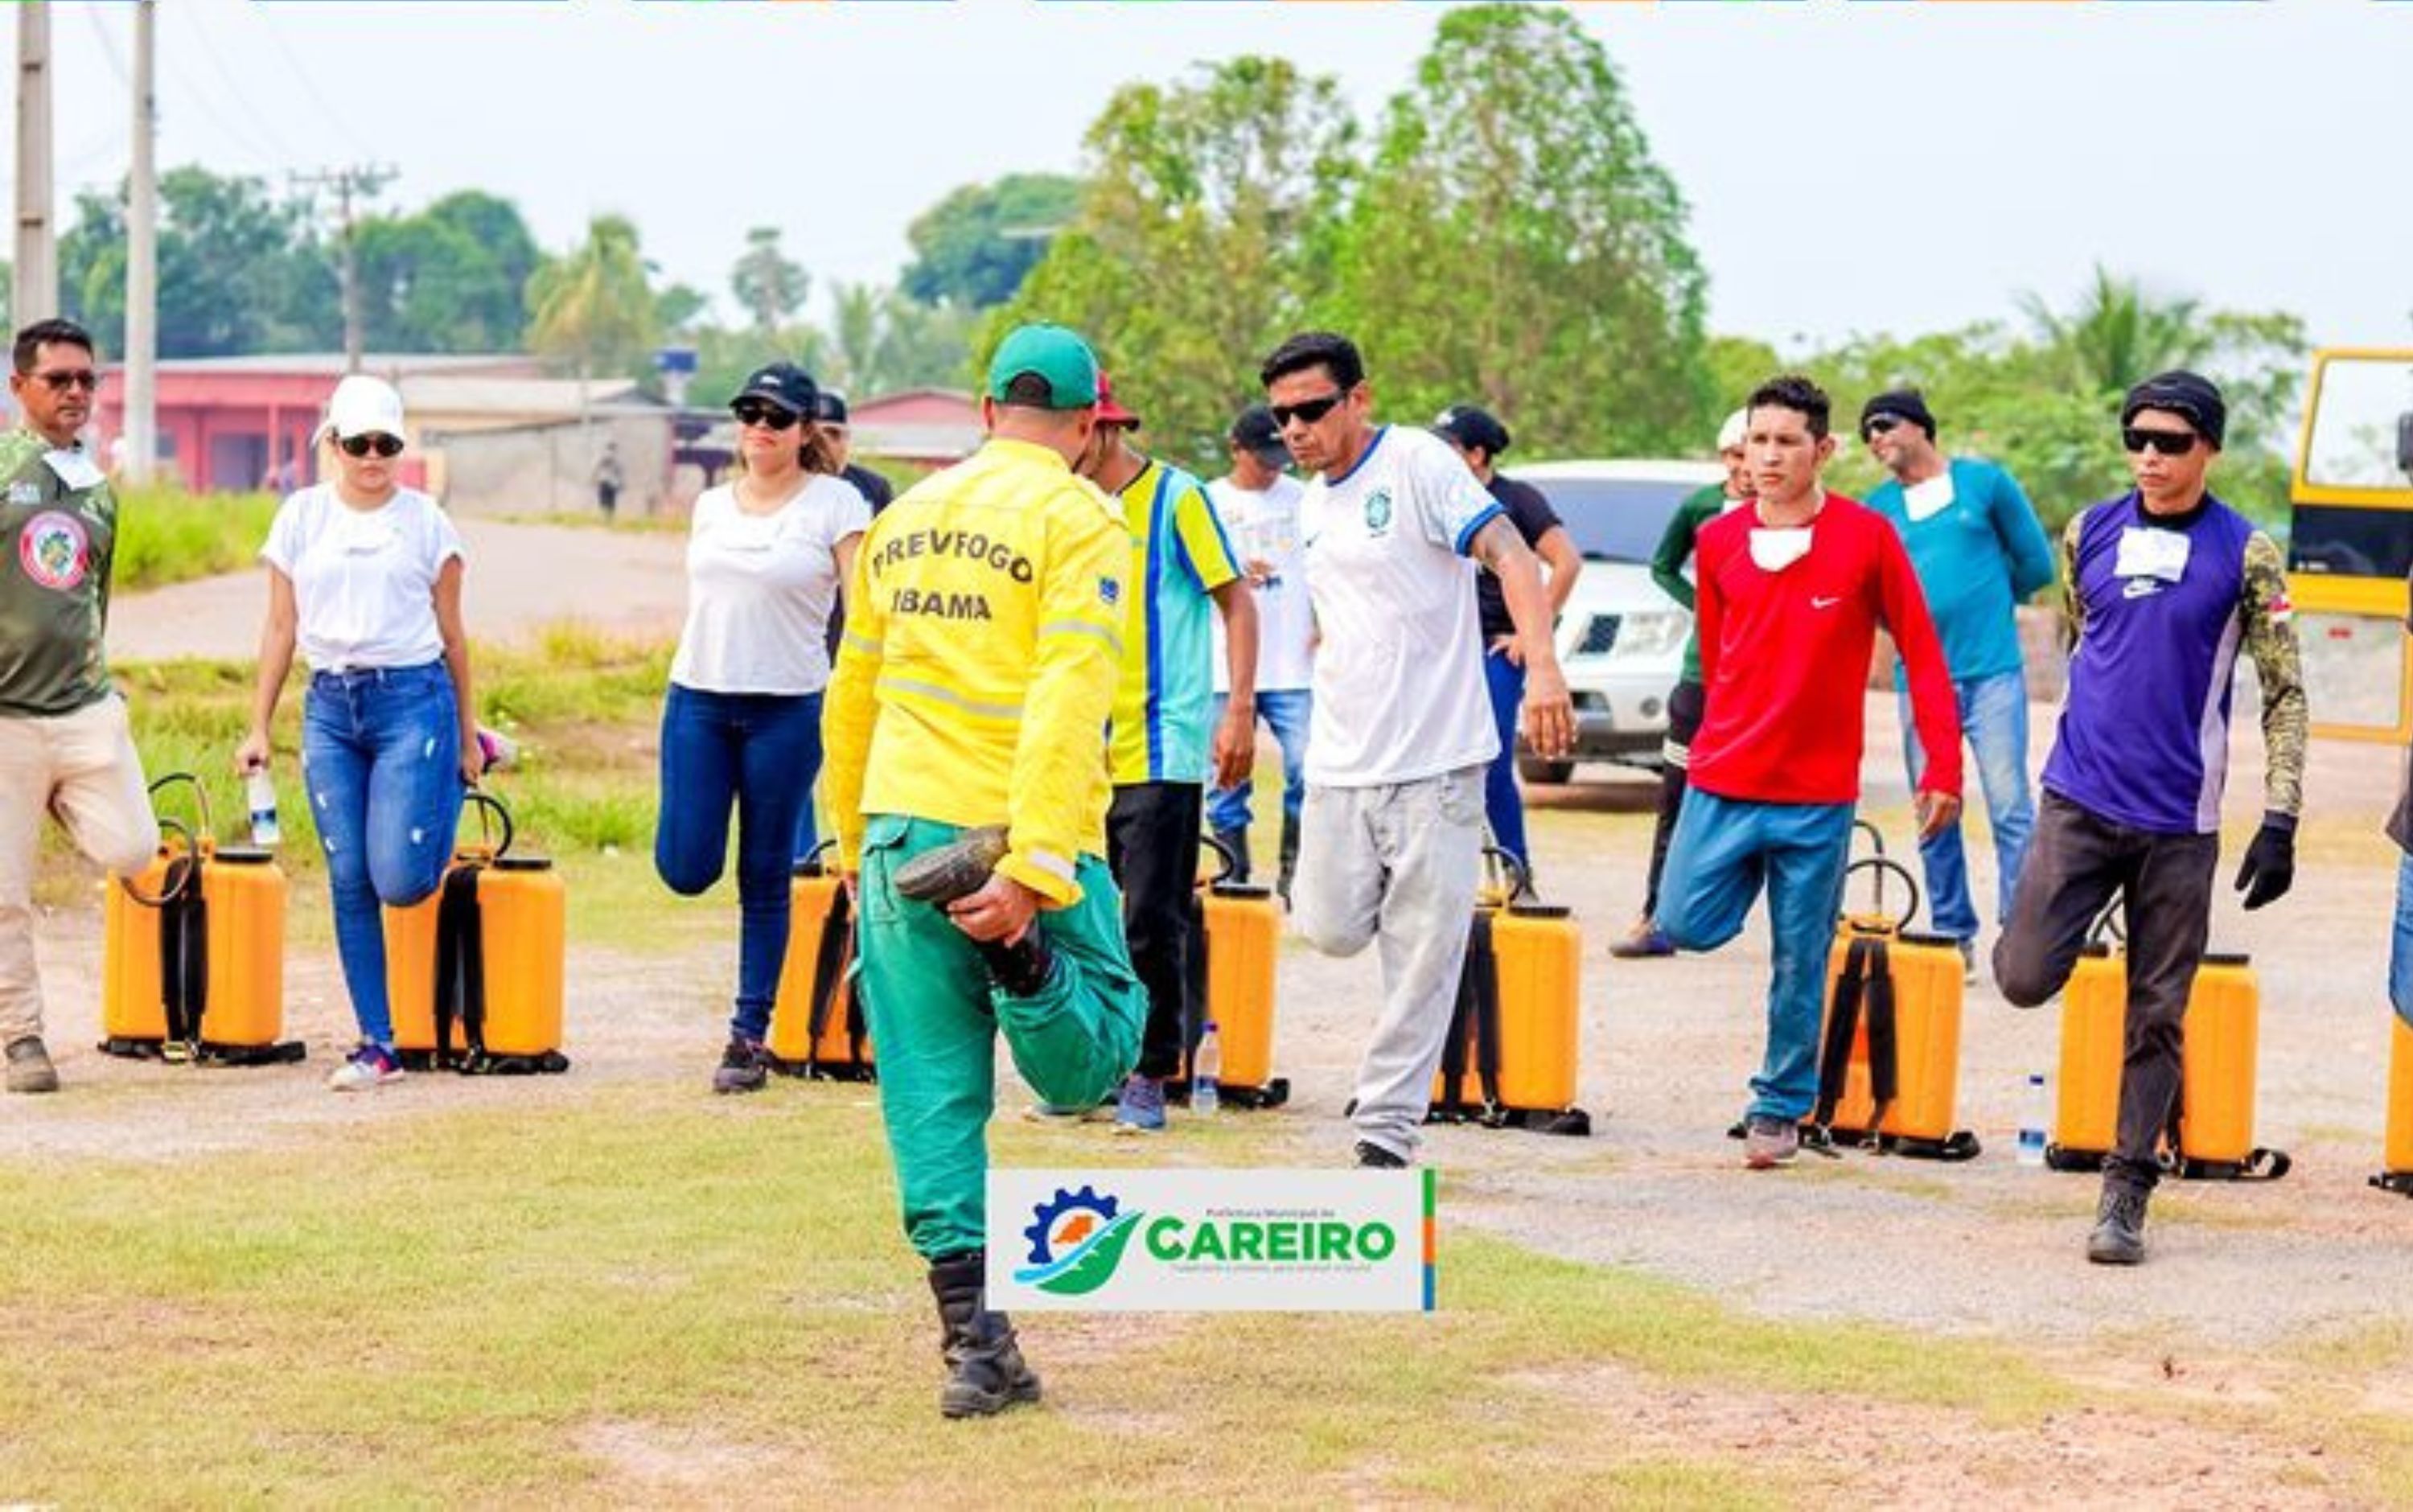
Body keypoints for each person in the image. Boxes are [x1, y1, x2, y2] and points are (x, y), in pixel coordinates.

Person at [821, 323, 1145, 1419]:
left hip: (900, 834)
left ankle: (974, 1343)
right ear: (1093, 422)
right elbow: (1069, 693)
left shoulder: (904, 519)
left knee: (927, 1093)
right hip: (1011, 828)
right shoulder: (1082, 518)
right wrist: (1037, 866)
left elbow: (851, 688)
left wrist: (849, 843)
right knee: (1096, 1056)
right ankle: (1020, 951)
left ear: (985, 404)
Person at [1994, 372, 2304, 1266]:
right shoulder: (2087, 530)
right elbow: (2085, 637)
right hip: (2080, 801)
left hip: (2180, 823)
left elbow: (2284, 690)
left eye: (2171, 441)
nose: (2151, 457)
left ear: (2208, 446)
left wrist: (2280, 815)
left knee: (2157, 1011)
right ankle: (2077, 917)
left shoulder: (2248, 552)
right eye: (2139, 439)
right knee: (2020, 974)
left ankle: (2125, 1191)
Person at [1261, 331, 1575, 1168]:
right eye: (1282, 415)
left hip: (1438, 760)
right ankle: (1391, 1096)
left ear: (1358, 398)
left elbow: (1513, 556)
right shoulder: (1309, 505)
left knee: (1424, 948)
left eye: (1312, 409)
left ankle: (1385, 1129)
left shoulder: (1418, 465)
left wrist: (1542, 666)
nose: (1295, 429)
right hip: (1340, 761)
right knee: (1326, 924)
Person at [1655, 376, 1963, 1170]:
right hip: (1723, 777)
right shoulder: (1718, 542)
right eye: (1757, 439)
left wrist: (1943, 769)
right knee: (1682, 921)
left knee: (1799, 958)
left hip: (1817, 796)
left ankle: (1778, 1105)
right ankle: (1757, 879)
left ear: (1822, 450)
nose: (1767, 455)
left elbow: (1924, 653)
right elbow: (1721, 657)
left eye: (1786, 441)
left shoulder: (1867, 537)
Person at [237, 375, 483, 1091]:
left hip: (413, 699)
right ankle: (379, 1044)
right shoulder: (301, 518)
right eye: (358, 443)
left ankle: (445, 786)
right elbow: (281, 627)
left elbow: (455, 637)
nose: (373, 457)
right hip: (330, 708)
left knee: (401, 881)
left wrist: (467, 737)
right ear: (332, 444)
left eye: (387, 444)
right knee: (349, 879)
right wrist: (258, 724)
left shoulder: (428, 522)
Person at [655, 363, 869, 1095]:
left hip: (787, 708)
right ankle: (748, 1021)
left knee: (766, 873)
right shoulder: (710, 506)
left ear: (806, 429)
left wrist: (864, 697)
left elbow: (866, 613)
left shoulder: (837, 504)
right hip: (700, 701)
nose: (760, 428)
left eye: (777, 417)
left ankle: (749, 1035)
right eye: (748, 412)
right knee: (686, 868)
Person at [1074, 373, 1257, 1134]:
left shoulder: (1178, 497)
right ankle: (1087, 1066)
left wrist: (1239, 710)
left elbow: (1235, 600)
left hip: (1162, 746)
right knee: (1080, 918)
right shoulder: (1062, 509)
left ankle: (1151, 1073)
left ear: (1105, 430)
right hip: (1080, 750)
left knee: (1151, 918)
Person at [0, 318, 161, 1095]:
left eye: (86, 380)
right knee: (4, 896)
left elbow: (95, 600)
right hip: (6, 720)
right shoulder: (1, 468)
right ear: (18, 386)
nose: (74, 392)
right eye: (57, 378)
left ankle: (60, 800)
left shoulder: (97, 488)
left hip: (84, 709)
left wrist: (98, 678)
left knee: (134, 850)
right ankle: (23, 1039)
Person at [1860, 388, 2057, 980]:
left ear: (1921, 427)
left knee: (2010, 807)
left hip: (1992, 671)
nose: (1875, 437)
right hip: (1920, 681)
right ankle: (1952, 931)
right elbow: (1870, 592)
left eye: (1885, 423)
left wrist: (1986, 603)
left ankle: (2017, 937)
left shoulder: (1984, 484)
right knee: (1932, 808)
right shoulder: (1876, 509)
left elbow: (2036, 565)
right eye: (1868, 430)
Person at [1613, 408, 1749, 959]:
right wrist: (1705, 608)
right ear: (1724, 457)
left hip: (1761, 683)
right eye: (1737, 454)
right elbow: (1663, 565)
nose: (1748, 465)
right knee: (1677, 796)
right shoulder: (1702, 507)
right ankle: (1654, 915)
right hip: (1701, 676)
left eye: (1758, 451)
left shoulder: (1791, 519)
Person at [1433, 403, 1582, 883]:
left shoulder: (1516, 498)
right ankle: (1443, 875)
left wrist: (1531, 634)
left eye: (1449, 447)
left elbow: (1567, 562)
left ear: (1477, 454)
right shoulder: (1434, 496)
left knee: (1490, 760)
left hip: (1496, 648)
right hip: (1442, 650)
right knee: (1436, 763)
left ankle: (1517, 872)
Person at [1205, 404, 1313, 900]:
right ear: (1236, 450)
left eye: (1279, 458)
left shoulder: (1304, 499)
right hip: (1224, 670)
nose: (1273, 468)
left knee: (1307, 771)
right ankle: (1235, 877)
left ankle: (1297, 873)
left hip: (1295, 666)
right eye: (1263, 458)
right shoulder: (1207, 502)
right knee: (1225, 780)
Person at [813, 389, 895, 516]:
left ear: (847, 438)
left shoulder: (874, 487)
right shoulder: (786, 485)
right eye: (817, 435)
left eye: (834, 434)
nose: (825, 443)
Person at [593, 440, 625, 522]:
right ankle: (608, 518)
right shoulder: (613, 458)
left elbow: (597, 468)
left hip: (607, 481)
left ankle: (607, 518)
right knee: (609, 500)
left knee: (606, 500)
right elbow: (619, 472)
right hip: (609, 482)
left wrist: (621, 482)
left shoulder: (607, 457)